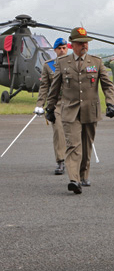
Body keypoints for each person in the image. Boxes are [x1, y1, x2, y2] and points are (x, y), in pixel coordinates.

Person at [45, 27, 114, 194]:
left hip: (91, 110)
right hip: (70, 111)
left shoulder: (96, 62)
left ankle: (84, 175)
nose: (84, 46)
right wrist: (50, 108)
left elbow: (107, 85)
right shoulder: (62, 63)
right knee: (73, 145)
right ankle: (74, 179)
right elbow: (54, 88)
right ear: (72, 45)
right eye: (80, 43)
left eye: (86, 43)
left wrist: (111, 103)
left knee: (86, 145)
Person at [34, 38, 69, 175]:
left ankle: (76, 162)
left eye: (64, 47)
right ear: (55, 50)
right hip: (57, 104)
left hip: (73, 103)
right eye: (59, 48)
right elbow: (44, 87)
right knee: (59, 132)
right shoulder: (49, 66)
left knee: (76, 134)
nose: (62, 50)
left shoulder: (74, 65)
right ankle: (60, 161)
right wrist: (40, 105)